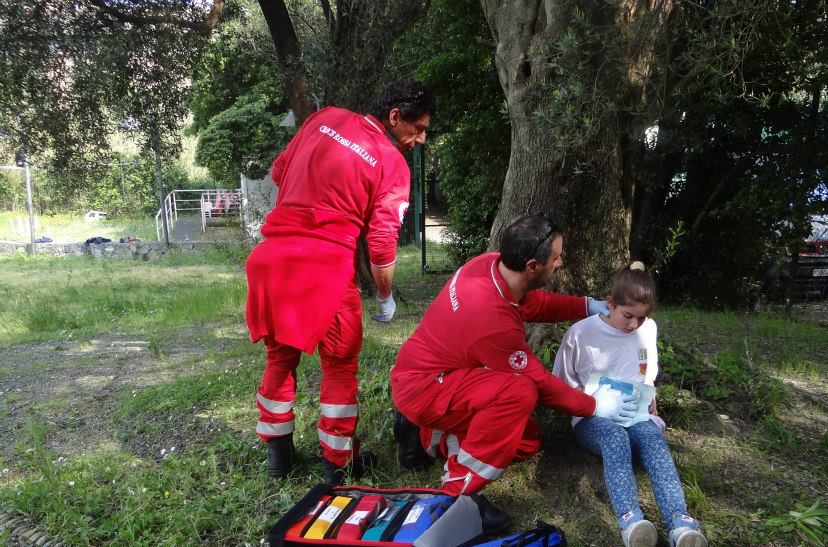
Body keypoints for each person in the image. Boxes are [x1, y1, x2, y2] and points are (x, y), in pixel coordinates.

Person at [245, 79, 434, 481]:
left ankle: (278, 455)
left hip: (272, 259)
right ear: (395, 117)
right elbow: (382, 243)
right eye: (417, 129)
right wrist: (385, 296)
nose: (419, 140)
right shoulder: (393, 164)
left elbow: (280, 171)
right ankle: (337, 463)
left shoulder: (324, 118)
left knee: (279, 357)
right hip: (325, 269)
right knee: (340, 366)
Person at [391, 214, 641, 495]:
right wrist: (594, 406)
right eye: (556, 258)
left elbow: (532, 303)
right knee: (519, 392)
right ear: (532, 266)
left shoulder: (490, 264)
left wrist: (585, 306)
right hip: (424, 387)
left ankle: (424, 433)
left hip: (435, 372)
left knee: (526, 441)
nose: (560, 262)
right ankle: (459, 487)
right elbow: (540, 384)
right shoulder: (492, 322)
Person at [552, 262, 708, 547]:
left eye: (642, 316)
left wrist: (650, 396)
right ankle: (632, 523)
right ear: (609, 302)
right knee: (615, 439)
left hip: (636, 414)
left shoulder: (647, 329)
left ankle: (682, 526)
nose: (635, 324)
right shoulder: (581, 334)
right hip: (592, 419)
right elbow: (559, 386)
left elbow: (645, 371)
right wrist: (591, 404)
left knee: (653, 441)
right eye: (628, 315)